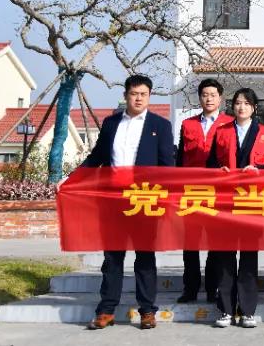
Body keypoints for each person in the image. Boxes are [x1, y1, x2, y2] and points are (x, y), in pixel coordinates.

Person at [84, 74, 175, 331]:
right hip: (114, 199)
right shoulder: (111, 123)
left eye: (143, 94)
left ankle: (147, 311)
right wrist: (71, 178)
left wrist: (164, 201)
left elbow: (167, 166)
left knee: (145, 257)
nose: (138, 99)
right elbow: (96, 157)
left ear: (149, 97)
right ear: (125, 95)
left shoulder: (160, 125)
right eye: (134, 94)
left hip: (144, 199)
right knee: (112, 258)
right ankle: (106, 310)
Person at [210, 89, 264, 328]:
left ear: (254, 108)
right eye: (238, 103)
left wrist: (259, 171)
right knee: (225, 258)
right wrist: (219, 170)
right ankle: (226, 310)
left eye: (247, 103)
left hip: (253, 201)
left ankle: (248, 310)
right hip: (226, 201)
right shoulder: (221, 132)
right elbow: (211, 164)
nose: (241, 107)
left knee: (249, 258)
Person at [176, 78, 234, 304]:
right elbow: (180, 158)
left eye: (213, 95)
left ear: (220, 98)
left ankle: (212, 288)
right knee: (190, 242)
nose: (209, 99)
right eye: (204, 95)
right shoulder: (187, 124)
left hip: (218, 192)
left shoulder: (229, 123)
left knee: (215, 242)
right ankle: (190, 288)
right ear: (199, 98)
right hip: (191, 190)